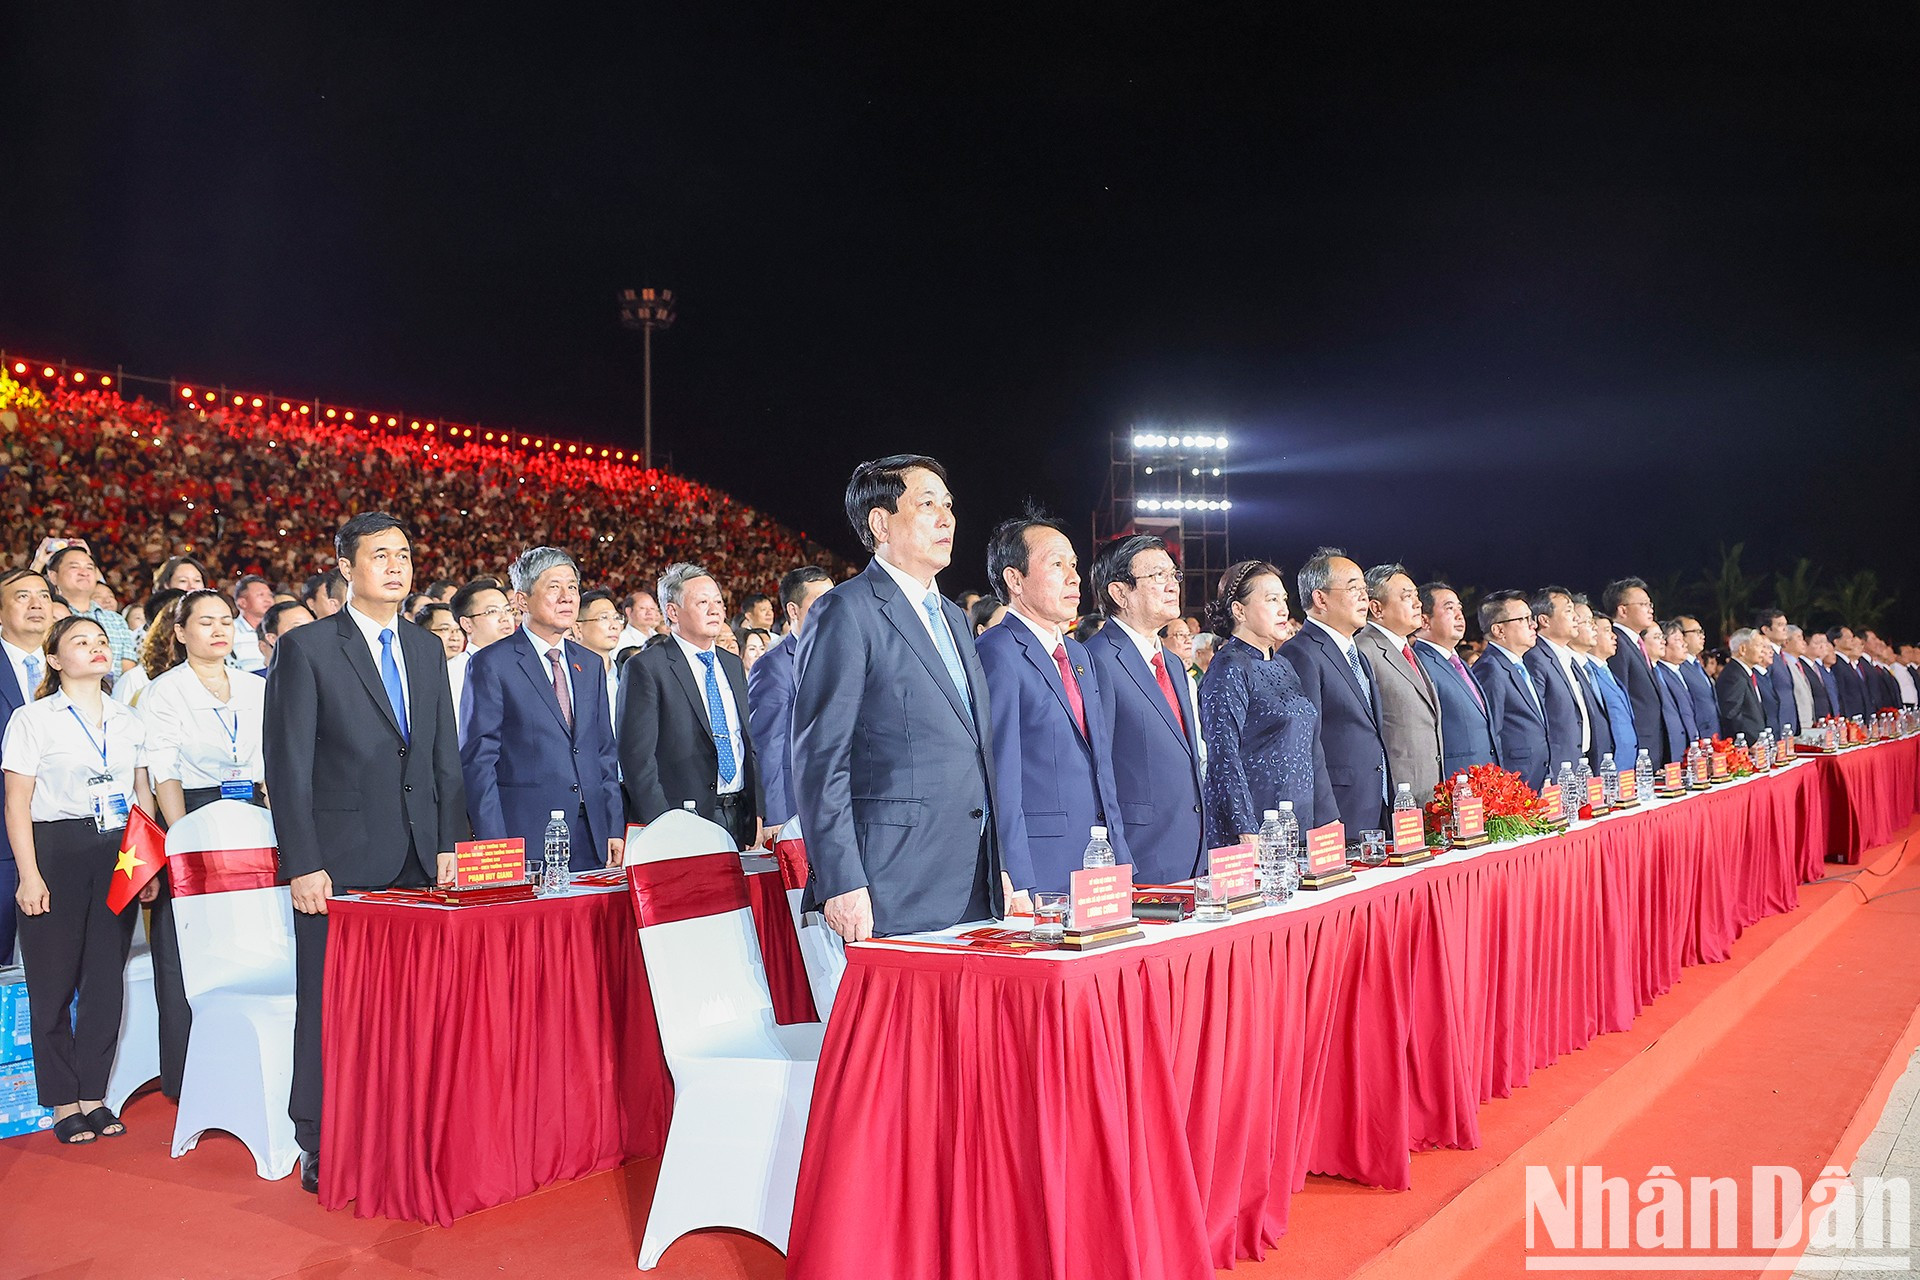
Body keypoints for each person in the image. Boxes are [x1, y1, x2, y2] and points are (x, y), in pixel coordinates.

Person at [263, 512, 468, 1193]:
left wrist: (451, 845)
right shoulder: (310, 648)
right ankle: (318, 1138)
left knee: (413, 1003)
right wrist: (302, 862)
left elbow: (443, 756)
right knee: (327, 1004)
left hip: (418, 854)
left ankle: (402, 1123)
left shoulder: (423, 646)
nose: (395, 566)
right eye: (379, 555)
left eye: (404, 554)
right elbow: (287, 764)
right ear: (346, 567)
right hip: (340, 860)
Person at [790, 454, 1006, 941]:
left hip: (973, 871)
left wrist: (1000, 863)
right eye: (927, 504)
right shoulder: (844, 612)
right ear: (880, 522)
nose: (946, 517)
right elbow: (820, 759)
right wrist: (842, 881)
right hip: (892, 878)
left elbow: (974, 745)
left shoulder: (953, 617)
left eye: (948, 505)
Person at [2, 614, 157, 1143]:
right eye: (80, 642)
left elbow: (143, 798)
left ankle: (94, 1095)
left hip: (117, 854)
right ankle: (63, 1102)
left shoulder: (128, 719)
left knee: (105, 981)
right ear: (53, 659)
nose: (95, 649)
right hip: (55, 851)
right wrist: (29, 874)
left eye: (100, 641)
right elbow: (17, 804)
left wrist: (146, 865)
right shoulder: (32, 719)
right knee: (52, 983)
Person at [138, 589, 269, 1099]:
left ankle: (246, 1067)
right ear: (180, 632)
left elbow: (271, 761)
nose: (218, 630)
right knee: (185, 945)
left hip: (253, 815)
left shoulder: (254, 687)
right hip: (192, 814)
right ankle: (188, 1075)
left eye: (226, 621)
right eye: (205, 622)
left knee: (249, 936)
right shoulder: (164, 692)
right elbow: (163, 773)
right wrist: (181, 842)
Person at [976, 512, 1130, 895]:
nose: (1073, 576)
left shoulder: (1079, 656)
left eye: (1074, 564)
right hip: (1040, 866)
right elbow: (1000, 774)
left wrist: (1120, 855)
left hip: (1098, 858)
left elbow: (1101, 767)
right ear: (1015, 580)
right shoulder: (997, 652)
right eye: (1056, 564)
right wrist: (1012, 872)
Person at [462, 547, 623, 873]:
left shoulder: (589, 664)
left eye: (573, 587)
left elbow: (603, 752)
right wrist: (496, 846)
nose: (567, 597)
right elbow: (479, 761)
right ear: (522, 601)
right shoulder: (492, 664)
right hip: (525, 838)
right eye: (554, 587)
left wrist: (613, 825)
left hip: (592, 836)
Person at [1085, 535, 1206, 884]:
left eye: (1174, 575)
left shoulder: (1171, 662)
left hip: (1193, 849)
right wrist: (1119, 860)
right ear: (1120, 593)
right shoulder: (1097, 660)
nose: (1172, 586)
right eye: (1157, 577)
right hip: (1141, 855)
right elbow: (1100, 769)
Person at [618, 562, 762, 850]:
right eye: (702, 602)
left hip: (738, 813)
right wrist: (664, 824)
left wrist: (757, 810)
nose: (715, 610)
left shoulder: (732, 664)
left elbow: (746, 740)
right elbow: (637, 759)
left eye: (718, 602)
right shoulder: (646, 668)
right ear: (672, 612)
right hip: (681, 817)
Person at [1198, 559, 1336, 848]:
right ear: (1239, 610)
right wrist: (1245, 829)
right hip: (1258, 829)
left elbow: (1310, 748)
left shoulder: (1283, 664)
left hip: (1299, 822)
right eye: (1271, 599)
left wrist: (1327, 819)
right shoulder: (1229, 667)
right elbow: (1223, 755)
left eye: (1284, 599)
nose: (1283, 608)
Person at [1278, 548, 1390, 837]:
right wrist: (1326, 815)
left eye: (1364, 589)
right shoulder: (1301, 653)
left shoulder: (1357, 654)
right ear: (1320, 598)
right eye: (1354, 588)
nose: (1364, 597)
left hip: (1376, 805)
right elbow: (1305, 742)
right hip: (1338, 813)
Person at [746, 566, 833, 833]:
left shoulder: (846, 653)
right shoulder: (773, 667)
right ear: (793, 611)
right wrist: (776, 816)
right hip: (800, 808)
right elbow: (770, 747)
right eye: (820, 603)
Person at [0, 568, 57, 965]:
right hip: (3, 840)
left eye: (43, 595)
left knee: (59, 961)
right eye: (22, 596)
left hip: (64, 836)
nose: (36, 603)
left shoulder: (75, 667)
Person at [1355, 563, 1444, 805]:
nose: (1418, 604)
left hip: (1429, 790)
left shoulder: (1406, 649)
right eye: (1407, 597)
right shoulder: (1365, 649)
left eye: (1416, 596)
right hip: (1398, 795)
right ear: (1377, 608)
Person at [1413, 581, 1498, 779]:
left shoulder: (1456, 662)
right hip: (1454, 781)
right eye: (1449, 608)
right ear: (1425, 621)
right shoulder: (1420, 663)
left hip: (1483, 779)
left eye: (1459, 608)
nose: (1460, 615)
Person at [1473, 591, 1552, 788]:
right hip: (1514, 781)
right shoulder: (1491, 668)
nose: (1534, 625)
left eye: (1531, 618)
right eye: (1525, 619)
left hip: (1537, 775)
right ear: (1499, 630)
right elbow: (1493, 733)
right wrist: (1501, 787)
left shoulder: (1519, 665)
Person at [1523, 587, 1598, 780]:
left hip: (1578, 763)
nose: (1576, 618)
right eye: (1568, 611)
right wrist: (1548, 774)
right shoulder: (1535, 659)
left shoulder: (1566, 658)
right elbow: (1536, 722)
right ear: (1544, 620)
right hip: (1555, 769)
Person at [1602, 577, 1667, 766]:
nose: (1650, 609)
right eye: (1643, 604)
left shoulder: (1635, 643)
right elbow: (1621, 699)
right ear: (1623, 609)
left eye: (1650, 604)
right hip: (1637, 746)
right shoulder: (1617, 643)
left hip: (1652, 743)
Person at [45, 546, 139, 675]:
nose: (84, 572)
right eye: (74, 567)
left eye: (89, 567)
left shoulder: (115, 619)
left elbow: (128, 670)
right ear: (53, 576)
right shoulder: (49, 615)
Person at [448, 579, 517, 739]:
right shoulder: (452, 673)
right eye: (492, 612)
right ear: (467, 624)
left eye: (507, 610)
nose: (505, 618)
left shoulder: (528, 665)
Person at [1579, 604, 1639, 765]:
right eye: (1606, 630)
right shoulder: (1587, 673)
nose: (1614, 637)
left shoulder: (1607, 671)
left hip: (1627, 763)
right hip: (1610, 765)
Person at [573, 588, 625, 726]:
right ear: (577, 629)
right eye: (604, 618)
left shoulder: (627, 673)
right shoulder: (566, 676)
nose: (614, 625)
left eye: (617, 618)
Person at [1653, 620, 1702, 745]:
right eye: (1678, 640)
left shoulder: (1679, 671)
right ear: (1664, 644)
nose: (1684, 644)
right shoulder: (1660, 674)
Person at [1674, 615, 1721, 739]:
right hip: (1698, 737)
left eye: (1702, 632)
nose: (1702, 636)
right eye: (1696, 632)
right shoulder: (1679, 667)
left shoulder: (1696, 665)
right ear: (1681, 636)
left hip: (1713, 734)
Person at [1755, 608, 1795, 737]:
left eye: (1785, 625)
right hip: (1775, 726)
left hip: (1788, 723)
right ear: (1766, 629)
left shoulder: (1780, 654)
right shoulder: (1764, 655)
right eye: (1779, 625)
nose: (1785, 629)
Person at [230, 574, 274, 672]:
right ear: (242, 602)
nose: (268, 600)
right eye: (260, 595)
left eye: (270, 595)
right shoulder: (229, 631)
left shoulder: (277, 629)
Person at [1825, 626, 1868, 720]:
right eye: (1848, 637)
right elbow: (1841, 694)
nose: (1852, 640)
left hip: (1859, 716)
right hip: (1850, 717)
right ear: (1837, 641)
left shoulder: (1848, 663)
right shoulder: (1836, 664)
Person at [260, 599, 316, 670]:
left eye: (312, 625)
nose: (308, 633)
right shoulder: (263, 680)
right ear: (273, 639)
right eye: (297, 628)